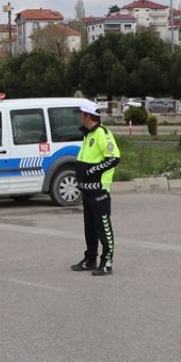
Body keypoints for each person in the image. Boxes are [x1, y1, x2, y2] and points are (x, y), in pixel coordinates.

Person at [71, 101, 120, 277]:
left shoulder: (102, 133)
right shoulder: (88, 135)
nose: (79, 117)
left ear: (87, 115)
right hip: (87, 190)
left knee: (103, 227)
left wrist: (92, 171)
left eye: (81, 114)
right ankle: (90, 259)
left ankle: (107, 262)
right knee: (89, 228)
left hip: (99, 190)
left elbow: (113, 158)